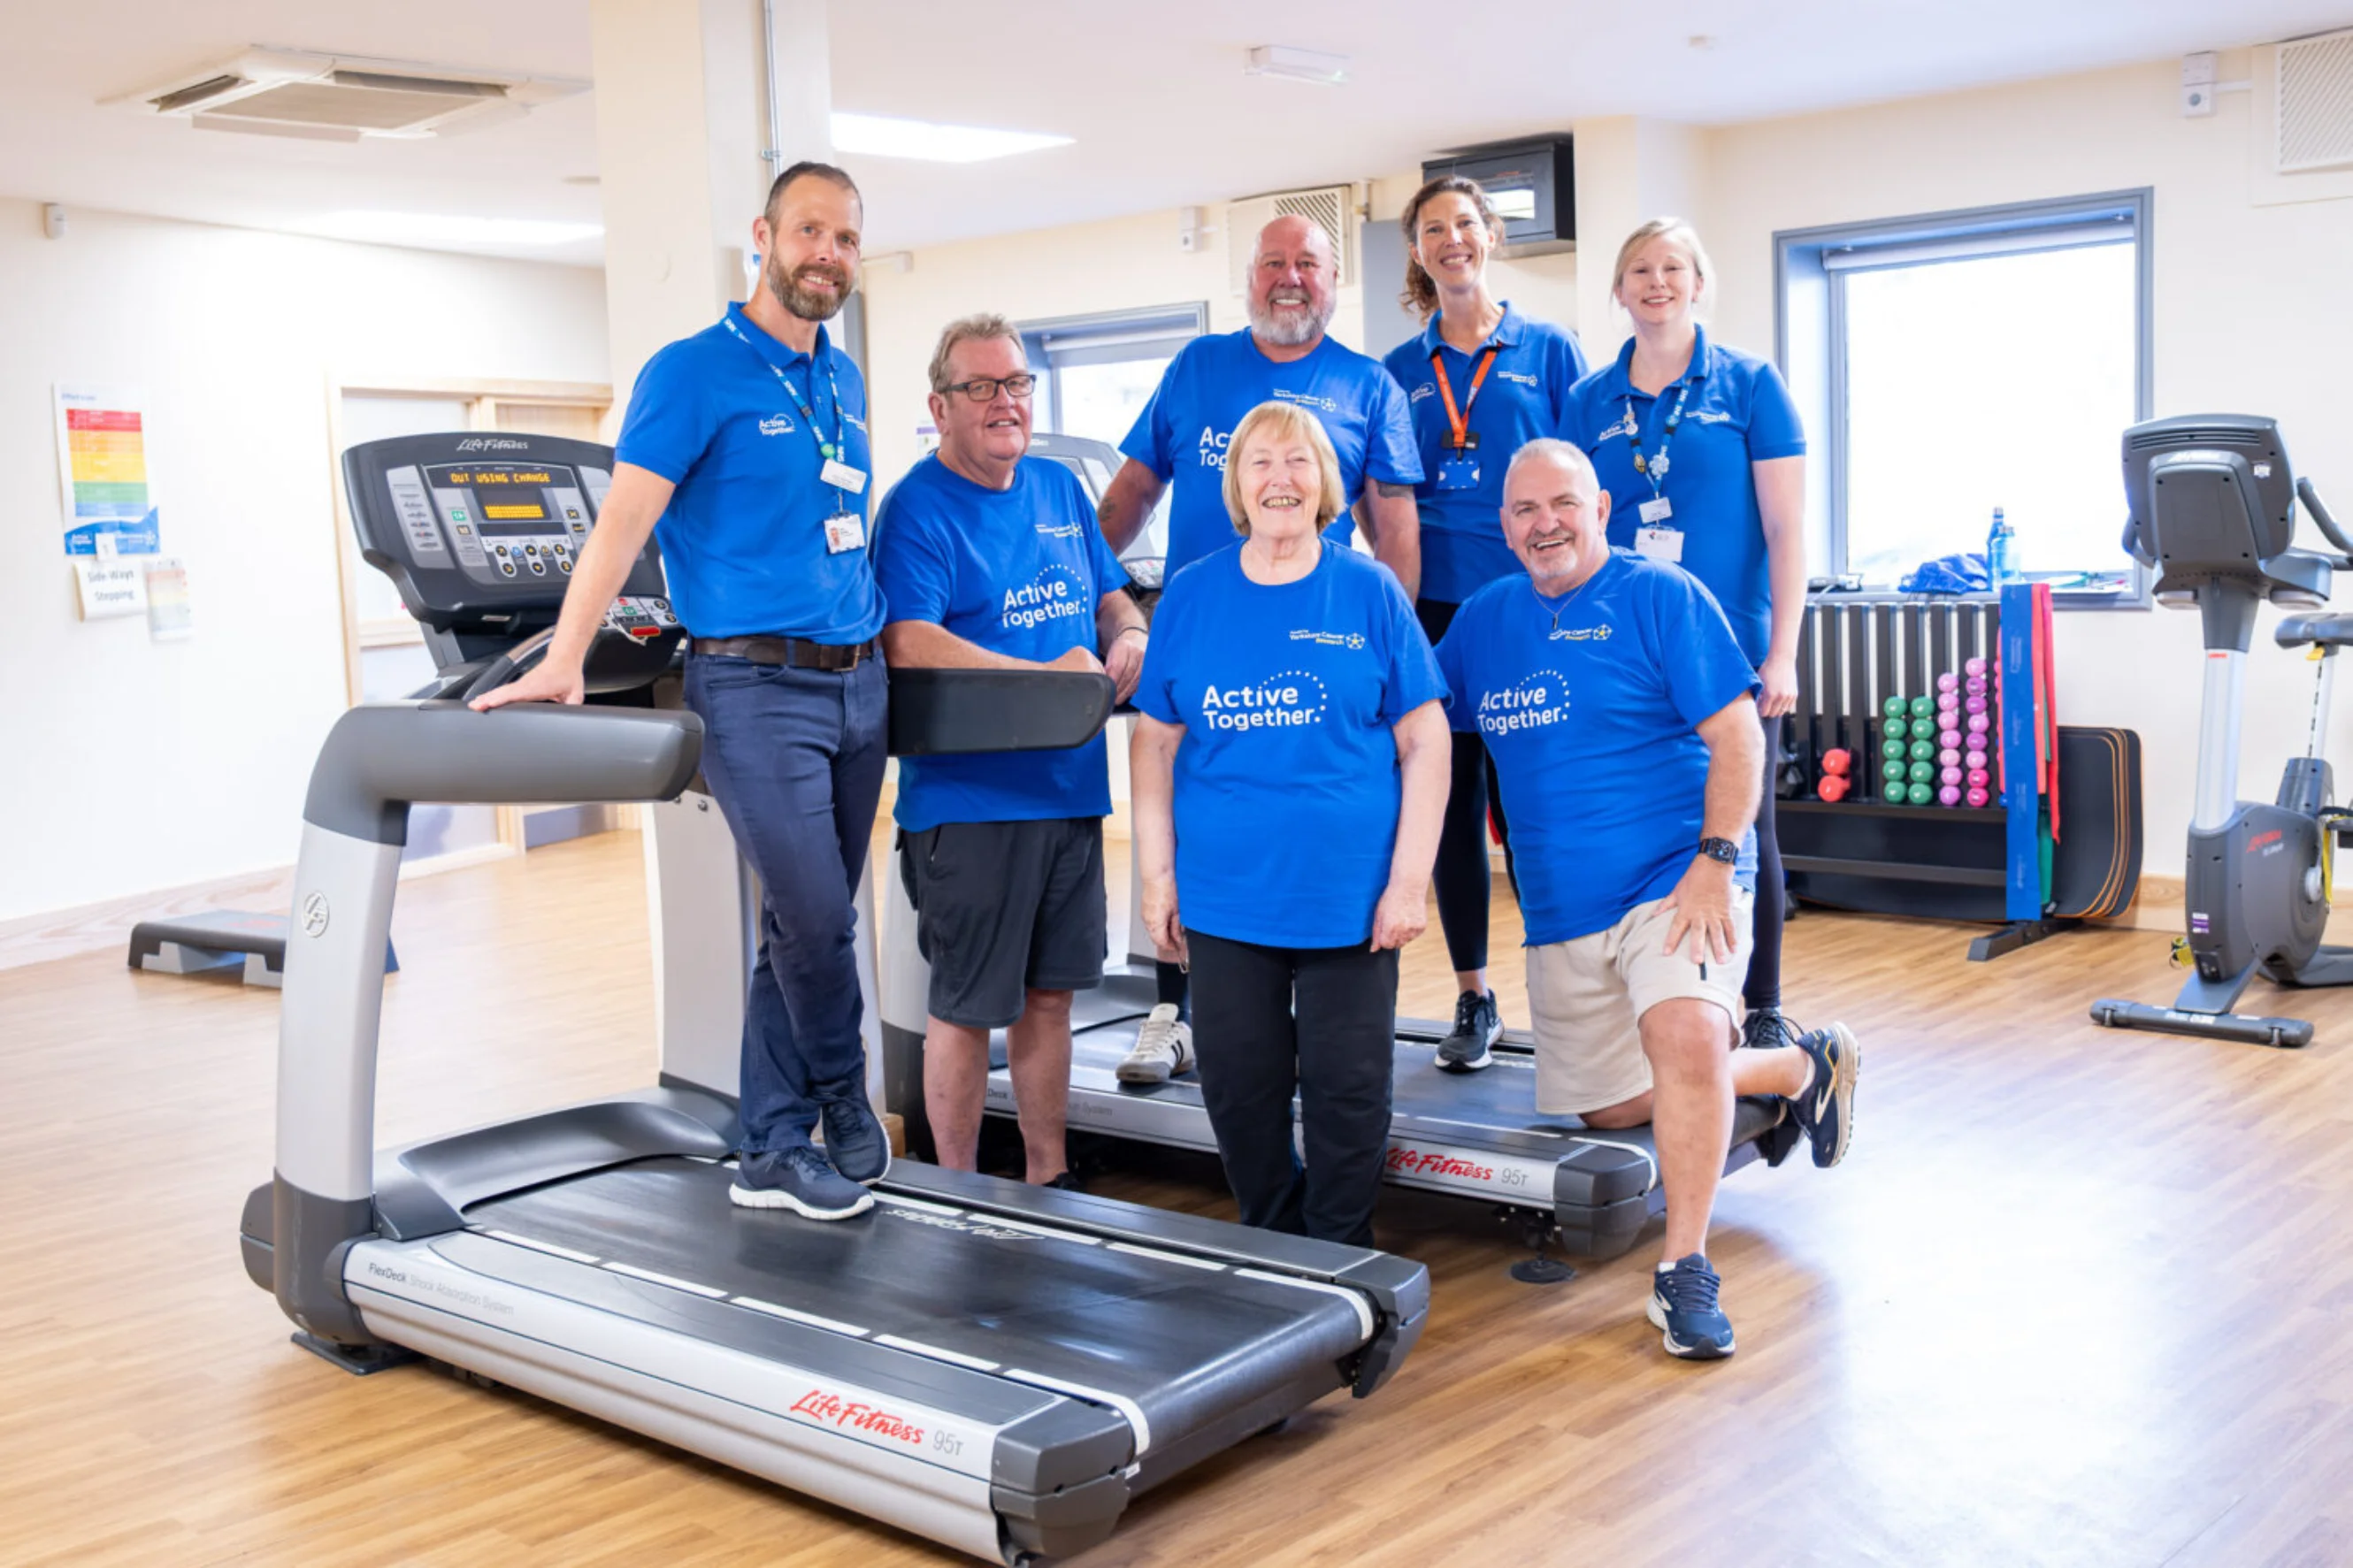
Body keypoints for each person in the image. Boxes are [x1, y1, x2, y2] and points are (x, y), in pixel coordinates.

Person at [474, 162, 890, 1222]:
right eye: (808, 232)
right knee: (811, 917)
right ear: (763, 236)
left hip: (857, 683)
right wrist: (563, 659)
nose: (826, 255)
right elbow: (621, 526)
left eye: (845, 239)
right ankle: (845, 1101)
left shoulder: (840, 378)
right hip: (752, 685)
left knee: (804, 927)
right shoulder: (691, 372)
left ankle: (768, 1147)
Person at [1433, 439, 1859, 1360]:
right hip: (1559, 912)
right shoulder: (1482, 623)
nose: (1543, 523)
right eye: (1522, 510)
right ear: (1501, 527)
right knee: (1612, 1107)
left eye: (1562, 504)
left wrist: (1713, 860)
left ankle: (1683, 1271)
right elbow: (1416, 725)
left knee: (1688, 1035)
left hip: (1676, 879)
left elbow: (1738, 736)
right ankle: (1797, 1070)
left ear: (1599, 511)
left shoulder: (1658, 597)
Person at [1097, 214, 1424, 1083]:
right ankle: (1170, 1008)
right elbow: (1131, 491)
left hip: (1318, 630)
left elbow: (1392, 525)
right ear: (1249, 277)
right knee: (1185, 810)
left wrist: (1401, 645)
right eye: (1273, 263)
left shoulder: (1365, 385)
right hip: (1202, 628)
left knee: (1299, 813)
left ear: (1332, 281)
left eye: (1307, 265)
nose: (1289, 278)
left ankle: (1299, 1022)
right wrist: (1094, 599)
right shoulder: (1197, 368)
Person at [1129, 400, 1450, 1248]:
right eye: (1261, 462)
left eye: (1299, 462)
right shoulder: (1192, 596)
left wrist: (1409, 883)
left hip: (1350, 900)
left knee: (1350, 1087)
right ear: (1236, 483)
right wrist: (1157, 878)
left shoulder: (1369, 588)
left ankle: (1341, 1250)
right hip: (1227, 897)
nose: (1281, 478)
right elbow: (1155, 748)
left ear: (1325, 483)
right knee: (1239, 1084)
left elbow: (1425, 738)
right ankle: (1273, 1239)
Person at [874, 315, 1147, 1189]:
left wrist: (1129, 632)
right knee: (963, 1006)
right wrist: (1047, 676)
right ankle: (952, 1186)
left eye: (1017, 383)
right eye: (982, 387)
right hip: (971, 803)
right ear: (940, 406)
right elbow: (908, 641)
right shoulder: (915, 507)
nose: (1005, 402)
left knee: (1050, 998)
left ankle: (1046, 1178)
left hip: (1067, 790)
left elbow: (1108, 598)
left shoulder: (1060, 490)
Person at [1562, 218, 1810, 1054]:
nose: (1656, 281)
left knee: (1746, 825)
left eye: (1672, 267)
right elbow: (1575, 526)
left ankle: (1765, 1001)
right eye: (1638, 269)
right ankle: (1660, 1001)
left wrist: (1784, 651)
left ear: (1698, 283)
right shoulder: (1589, 400)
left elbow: (1786, 530)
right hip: (1623, 646)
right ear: (1619, 289)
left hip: (1731, 645)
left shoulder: (1749, 384)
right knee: (1642, 819)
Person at [1380, 174, 1590, 1074]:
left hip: (1535, 607)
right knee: (1452, 806)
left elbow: (1578, 473)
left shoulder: (1547, 349)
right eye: (1433, 230)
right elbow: (1381, 496)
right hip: (1436, 612)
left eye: (1464, 224)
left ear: (1490, 234)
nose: (1451, 241)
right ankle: (1473, 994)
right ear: (1418, 251)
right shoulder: (1398, 370)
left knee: (1537, 802)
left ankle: (1571, 988)